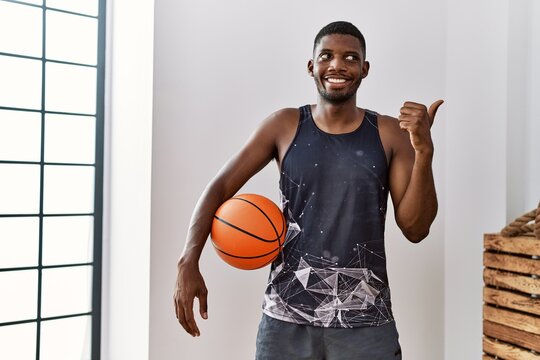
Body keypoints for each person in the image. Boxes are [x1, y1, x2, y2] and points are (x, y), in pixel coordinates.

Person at [174, 21, 442, 359]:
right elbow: (220, 187)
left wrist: (424, 153)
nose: (338, 65)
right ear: (311, 66)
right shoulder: (283, 126)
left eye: (350, 57)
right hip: (285, 320)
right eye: (327, 55)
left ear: (364, 69)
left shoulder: (390, 133)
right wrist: (188, 261)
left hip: (366, 322)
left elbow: (416, 229)